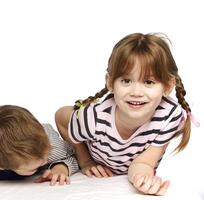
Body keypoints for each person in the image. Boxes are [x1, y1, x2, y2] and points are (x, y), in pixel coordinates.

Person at [55, 33, 197, 195]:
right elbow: (61, 117)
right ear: (110, 82)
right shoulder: (94, 118)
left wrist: (142, 180)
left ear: (167, 86)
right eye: (126, 81)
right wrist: (86, 161)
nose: (136, 92)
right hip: (96, 140)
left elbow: (144, 162)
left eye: (149, 82)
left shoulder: (169, 116)